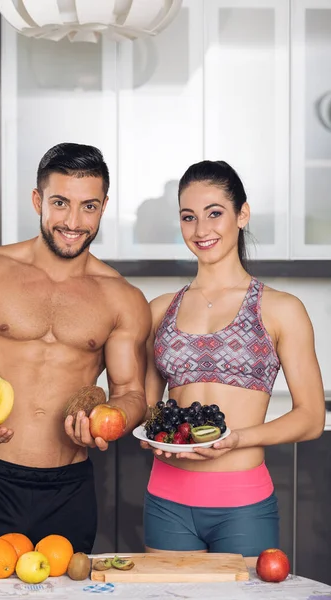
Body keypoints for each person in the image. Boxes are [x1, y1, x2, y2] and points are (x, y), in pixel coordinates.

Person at [0, 142, 151, 567]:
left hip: (69, 487)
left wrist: (112, 422)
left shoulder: (122, 298)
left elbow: (131, 391)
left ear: (104, 207)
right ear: (37, 201)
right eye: (60, 203)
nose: (73, 221)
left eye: (89, 207)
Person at [141, 160, 325, 561]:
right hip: (165, 501)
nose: (201, 230)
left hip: (243, 504)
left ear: (242, 214)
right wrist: (149, 434)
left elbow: (311, 418)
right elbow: (147, 408)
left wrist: (238, 438)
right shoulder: (159, 310)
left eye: (215, 213)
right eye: (189, 217)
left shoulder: (281, 309)